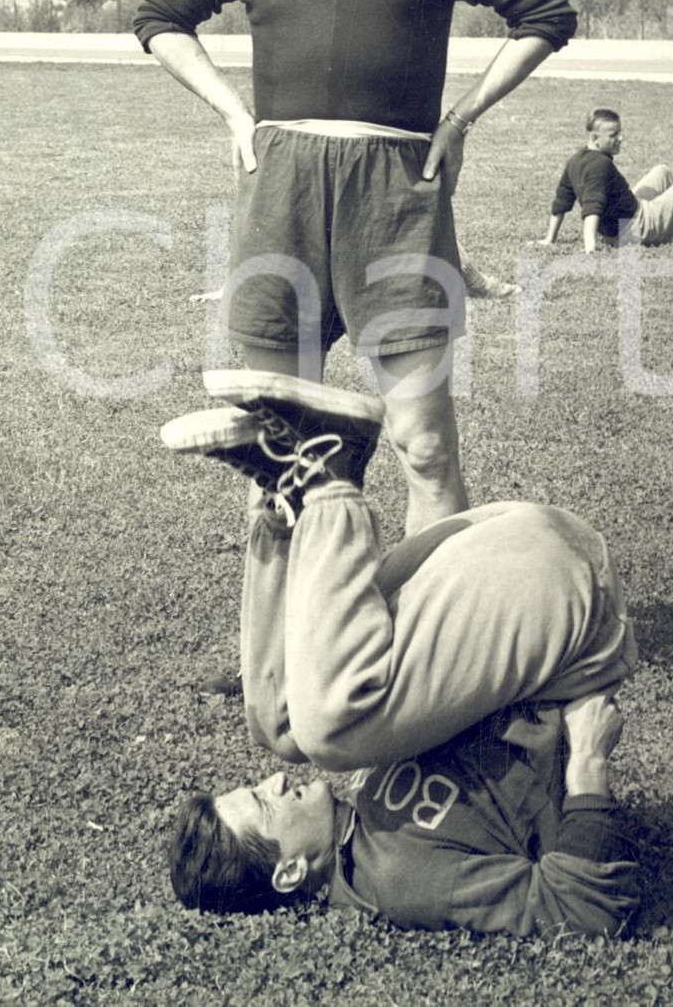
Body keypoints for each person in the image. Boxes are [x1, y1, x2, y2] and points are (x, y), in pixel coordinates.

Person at [134, 0, 577, 533]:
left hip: (396, 196)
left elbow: (545, 14)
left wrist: (460, 117)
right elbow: (159, 18)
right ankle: (287, 653)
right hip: (282, 194)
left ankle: (437, 643)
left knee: (427, 446)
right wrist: (236, 115)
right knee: (276, 456)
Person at [160, 373, 639, 938]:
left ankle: (284, 508)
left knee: (278, 725)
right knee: (328, 733)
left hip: (513, 557)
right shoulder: (402, 881)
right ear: (289, 872)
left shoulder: (363, 826)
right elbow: (581, 912)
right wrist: (589, 763)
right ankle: (329, 484)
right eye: (266, 804)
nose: (274, 783)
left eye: (257, 787)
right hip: (571, 616)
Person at [536, 108, 673, 252]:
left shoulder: (575, 160)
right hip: (637, 229)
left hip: (620, 226)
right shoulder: (600, 165)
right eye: (613, 134)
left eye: (620, 132)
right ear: (594, 138)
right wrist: (589, 248)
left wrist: (549, 239)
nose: (620, 138)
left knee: (662, 171)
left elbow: (561, 203)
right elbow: (592, 208)